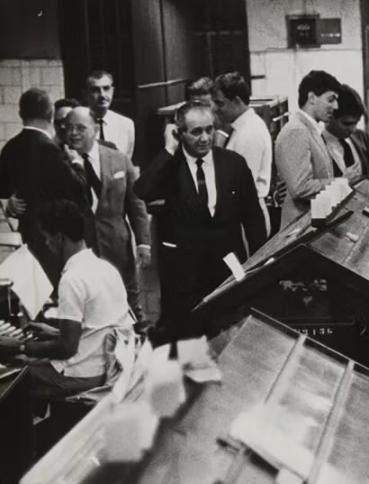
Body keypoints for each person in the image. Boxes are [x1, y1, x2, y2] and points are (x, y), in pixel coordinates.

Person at [134, 102, 267, 339]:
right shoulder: (170, 166)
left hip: (228, 268)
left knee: (231, 335)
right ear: (179, 133)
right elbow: (143, 190)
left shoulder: (233, 163)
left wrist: (257, 266)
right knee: (190, 341)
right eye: (196, 132)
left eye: (209, 129)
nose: (205, 138)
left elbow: (253, 218)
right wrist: (169, 149)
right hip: (186, 276)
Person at [0, 200, 134, 400]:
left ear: (60, 238)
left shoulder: (72, 279)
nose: (47, 244)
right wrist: (54, 332)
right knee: (26, 365)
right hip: (109, 366)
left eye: (47, 238)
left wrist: (19, 347)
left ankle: (33, 420)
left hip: (84, 374)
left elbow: (66, 348)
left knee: (14, 378)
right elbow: (98, 327)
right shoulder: (106, 268)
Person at [65, 107, 151, 321]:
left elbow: (136, 204)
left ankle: (137, 337)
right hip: (80, 250)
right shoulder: (61, 164)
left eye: (80, 128)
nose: (73, 133)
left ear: (95, 129)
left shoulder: (119, 159)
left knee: (129, 304)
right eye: (69, 128)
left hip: (117, 247)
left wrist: (143, 242)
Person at [0, 88, 89, 280]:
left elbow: (3, 190)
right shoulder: (51, 150)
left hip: (27, 233)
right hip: (57, 236)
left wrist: (10, 203)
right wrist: (77, 163)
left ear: (21, 114)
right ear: (50, 114)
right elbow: (78, 188)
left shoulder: (9, 148)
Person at [275, 70, 348, 228]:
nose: (336, 106)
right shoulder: (297, 131)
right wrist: (341, 183)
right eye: (331, 99)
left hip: (312, 222)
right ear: (312, 97)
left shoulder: (310, 129)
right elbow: (300, 188)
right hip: (300, 226)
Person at [212, 72, 273, 235]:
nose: (215, 109)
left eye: (220, 103)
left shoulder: (249, 133)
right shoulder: (242, 128)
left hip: (247, 217)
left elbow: (241, 186)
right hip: (243, 213)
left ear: (237, 101)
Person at [323, 85, 369, 181]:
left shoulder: (362, 137)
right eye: (347, 123)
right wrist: (340, 182)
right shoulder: (313, 146)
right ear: (329, 117)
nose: (352, 129)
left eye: (356, 123)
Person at [85, 71, 135, 159]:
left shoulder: (126, 124)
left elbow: (126, 161)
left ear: (112, 91)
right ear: (86, 94)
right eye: (95, 90)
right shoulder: (79, 123)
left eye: (106, 88)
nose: (102, 95)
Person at [164, 77, 219, 154]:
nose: (199, 97)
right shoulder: (183, 113)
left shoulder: (220, 112)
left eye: (204, 93)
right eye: (195, 94)